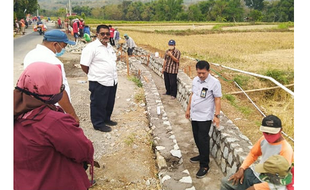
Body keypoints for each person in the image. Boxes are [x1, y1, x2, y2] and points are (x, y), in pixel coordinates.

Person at [14, 62, 94, 190]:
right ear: (49, 88)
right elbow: (82, 150)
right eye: (60, 86)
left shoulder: (15, 110)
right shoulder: (54, 122)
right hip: (56, 182)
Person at [220, 115, 294, 190]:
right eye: (266, 133)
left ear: (280, 130)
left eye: (272, 133)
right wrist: (242, 169)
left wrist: (255, 188)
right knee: (226, 183)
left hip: (268, 183)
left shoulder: (286, 150)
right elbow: (253, 154)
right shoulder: (263, 139)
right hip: (255, 174)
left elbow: (281, 180)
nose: (268, 135)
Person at [23, 29, 80, 124]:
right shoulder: (53, 62)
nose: (63, 49)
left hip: (34, 106)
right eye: (63, 46)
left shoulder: (30, 55)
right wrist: (72, 115)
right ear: (55, 44)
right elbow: (59, 92)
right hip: (53, 109)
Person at [185, 60, 222, 178]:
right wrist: (188, 109)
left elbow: (217, 99)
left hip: (205, 116)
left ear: (208, 71)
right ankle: (201, 155)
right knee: (196, 137)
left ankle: (205, 165)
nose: (201, 75)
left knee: (203, 139)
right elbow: (193, 95)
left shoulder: (214, 83)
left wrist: (216, 115)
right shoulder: (195, 80)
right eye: (199, 73)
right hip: (195, 114)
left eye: (203, 73)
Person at [80, 24, 118, 133]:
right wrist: (93, 75)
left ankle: (106, 119)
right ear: (97, 34)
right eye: (103, 34)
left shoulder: (109, 46)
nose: (105, 36)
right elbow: (84, 65)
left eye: (107, 33)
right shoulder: (91, 48)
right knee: (98, 103)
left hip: (112, 80)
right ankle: (98, 123)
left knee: (109, 102)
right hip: (98, 81)